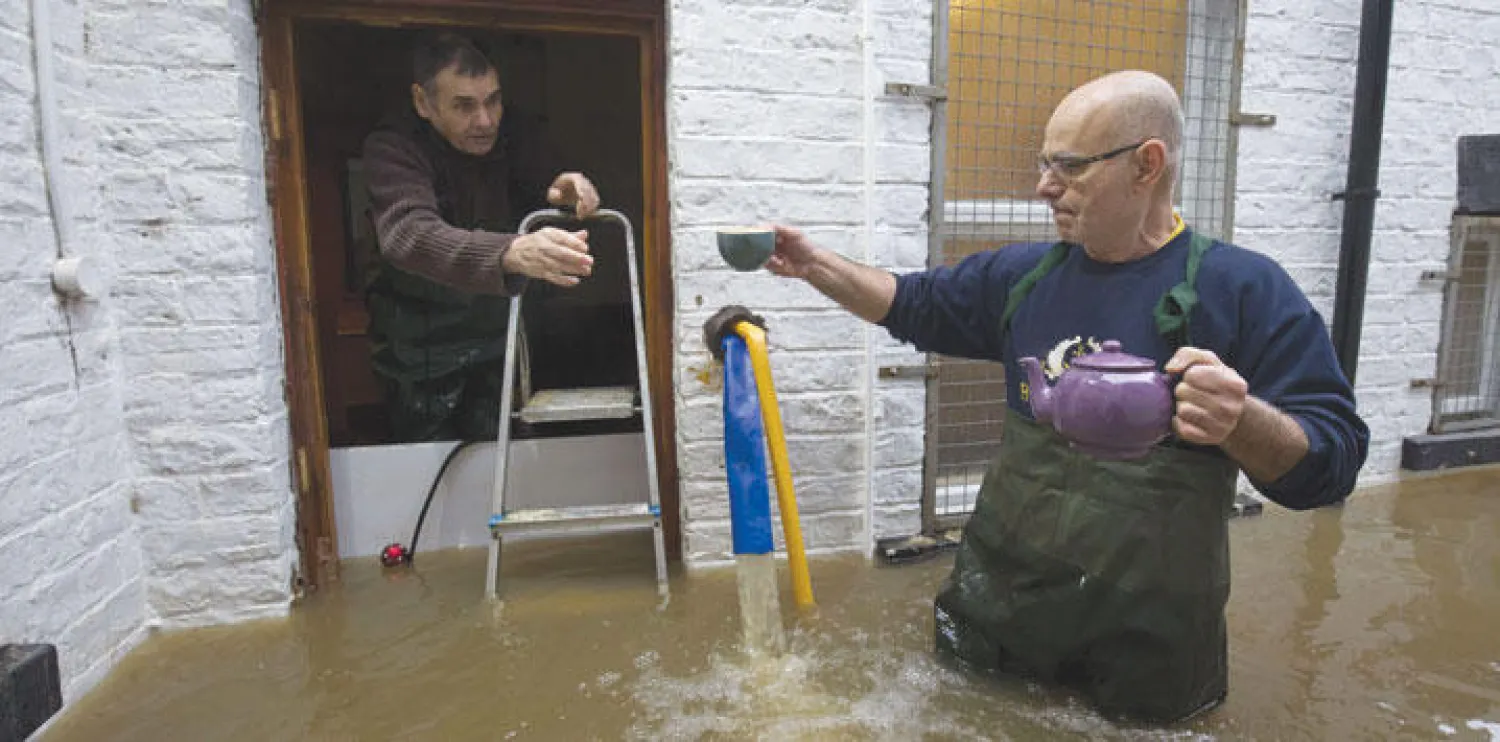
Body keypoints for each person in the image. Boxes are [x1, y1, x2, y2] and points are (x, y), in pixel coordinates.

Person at [763, 70, 1369, 723]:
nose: (1044, 186)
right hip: (1000, 618)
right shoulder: (1024, 278)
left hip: (1148, 649)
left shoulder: (1244, 290)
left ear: (1147, 165)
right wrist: (814, 264)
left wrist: (1241, 421)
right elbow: (909, 302)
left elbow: (1331, 464)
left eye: (1070, 166)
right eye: (1044, 163)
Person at [361, 31, 601, 442]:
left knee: (507, 455)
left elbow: (547, 180)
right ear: (423, 102)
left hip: (499, 338)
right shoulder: (393, 148)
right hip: (419, 350)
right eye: (464, 106)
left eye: (493, 101)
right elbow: (408, 234)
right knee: (429, 468)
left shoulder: (515, 133)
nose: (485, 120)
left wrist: (563, 190)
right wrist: (509, 252)